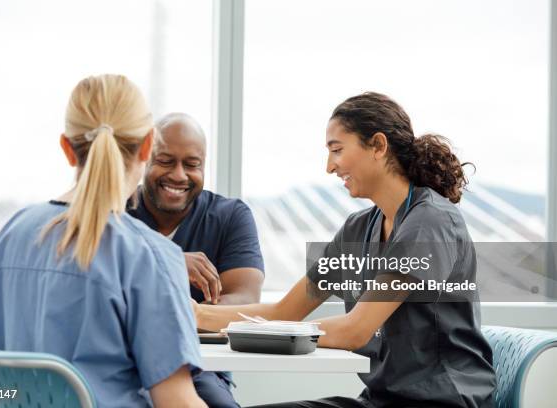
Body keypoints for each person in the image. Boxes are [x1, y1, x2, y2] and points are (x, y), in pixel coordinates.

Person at [193, 92, 496, 407]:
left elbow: (356, 330)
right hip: (382, 400)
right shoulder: (358, 229)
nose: (329, 166)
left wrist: (269, 332)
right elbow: (282, 312)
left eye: (336, 150)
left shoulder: (429, 222)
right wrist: (195, 313)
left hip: (442, 401)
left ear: (378, 146)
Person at [0, 75, 207, 408]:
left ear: (68, 149)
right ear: (147, 147)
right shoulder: (149, 256)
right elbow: (178, 403)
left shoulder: (14, 232)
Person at [127, 112, 264, 408]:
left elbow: (245, 303)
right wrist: (168, 261)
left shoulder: (230, 216)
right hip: (123, 363)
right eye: (165, 161)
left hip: (199, 367)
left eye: (192, 165)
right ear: (145, 159)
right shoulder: (117, 213)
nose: (178, 175)